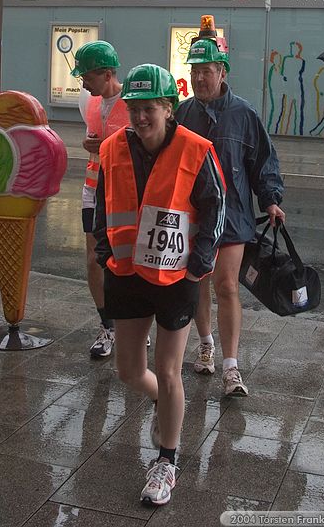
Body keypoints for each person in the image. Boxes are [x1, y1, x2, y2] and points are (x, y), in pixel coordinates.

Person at [95, 64, 225, 506]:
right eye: (133, 108)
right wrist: (102, 253)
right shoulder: (114, 147)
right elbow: (101, 204)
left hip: (175, 276)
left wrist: (198, 266)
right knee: (130, 371)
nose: (139, 117)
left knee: (169, 370)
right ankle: (164, 406)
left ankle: (167, 461)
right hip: (127, 272)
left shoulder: (195, 149)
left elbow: (214, 209)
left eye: (149, 108)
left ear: (168, 108)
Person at [175, 34, 285, 397]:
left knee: (226, 285)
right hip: (192, 215)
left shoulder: (244, 114)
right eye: (194, 71)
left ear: (222, 73)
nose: (199, 79)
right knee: (196, 282)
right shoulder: (184, 113)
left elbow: (263, 162)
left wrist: (270, 199)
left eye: (205, 71)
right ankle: (205, 343)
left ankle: (231, 367)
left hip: (234, 215)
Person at [71, 40, 130, 359]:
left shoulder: (134, 102)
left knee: (124, 259)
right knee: (94, 258)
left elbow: (144, 145)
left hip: (123, 193)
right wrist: (90, 143)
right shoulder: (91, 102)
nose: (83, 83)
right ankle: (107, 325)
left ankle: (133, 323)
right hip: (93, 188)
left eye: (88, 77)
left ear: (107, 74)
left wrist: (103, 145)